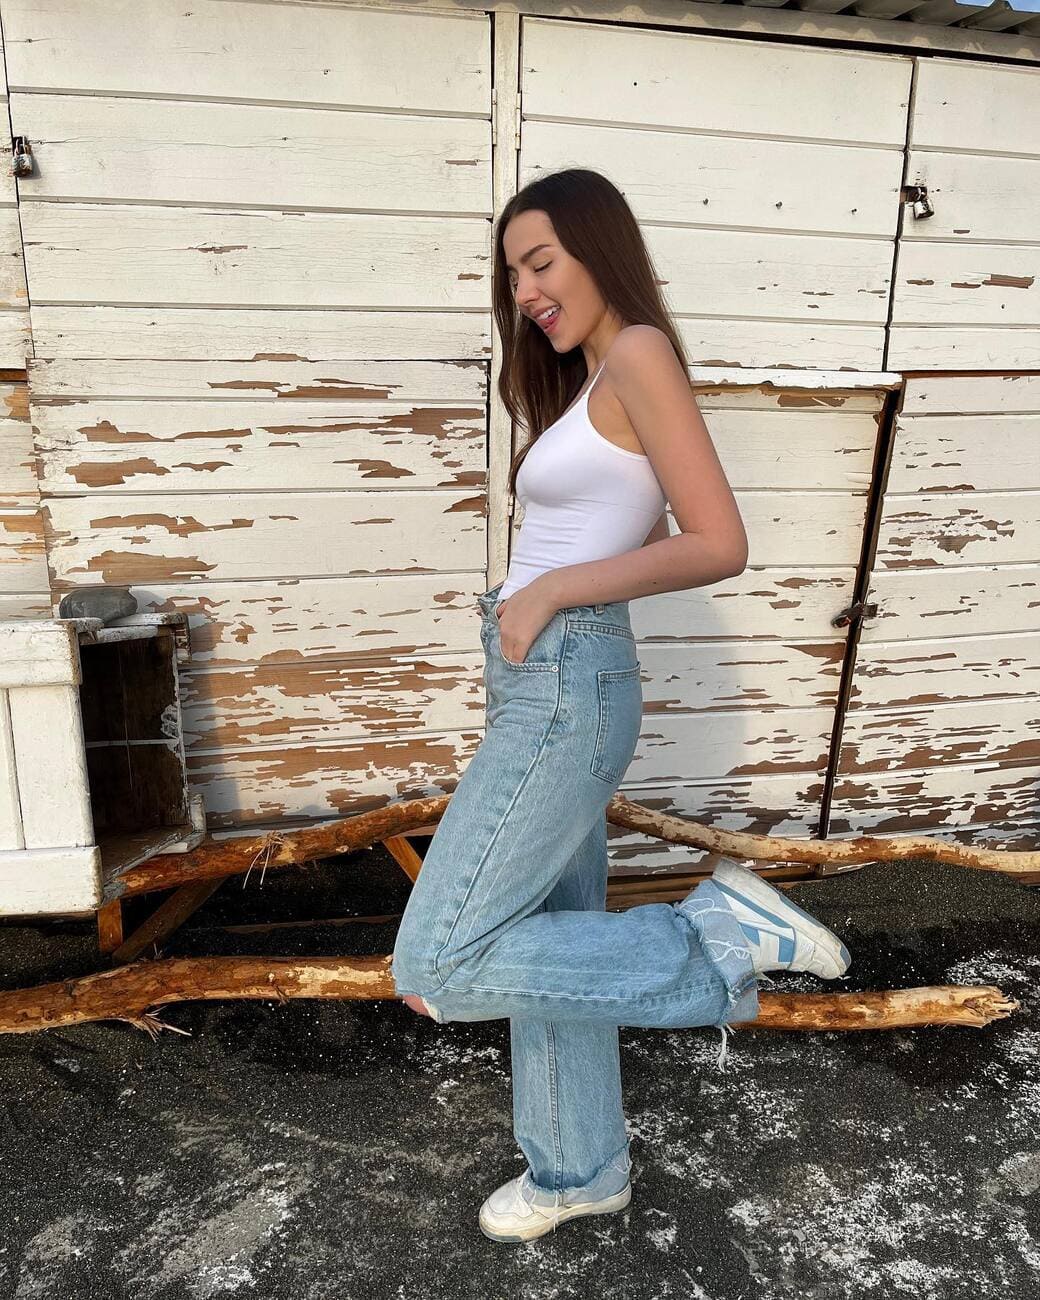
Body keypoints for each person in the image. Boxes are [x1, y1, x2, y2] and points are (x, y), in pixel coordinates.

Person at [391, 168, 851, 1244]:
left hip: (564, 683)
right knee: (542, 935)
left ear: (599, 247)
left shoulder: (638, 351)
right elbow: (641, 528)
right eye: (512, 276)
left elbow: (719, 542)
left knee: (438, 959)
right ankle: (577, 1170)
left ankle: (716, 933)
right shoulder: (595, 377)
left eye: (540, 262)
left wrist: (553, 590)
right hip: (545, 681)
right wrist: (545, 598)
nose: (525, 292)